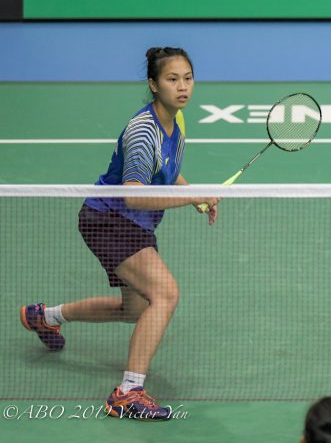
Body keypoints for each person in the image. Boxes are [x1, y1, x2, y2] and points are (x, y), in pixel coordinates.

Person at [20, 47, 220, 421]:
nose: (182, 87)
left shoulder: (176, 121)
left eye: (187, 78)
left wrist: (193, 193)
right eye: (172, 79)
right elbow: (134, 195)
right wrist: (192, 197)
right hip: (110, 220)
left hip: (133, 224)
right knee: (166, 294)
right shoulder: (144, 132)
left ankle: (45, 317)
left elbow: (166, 170)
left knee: (135, 309)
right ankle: (127, 393)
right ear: (153, 84)